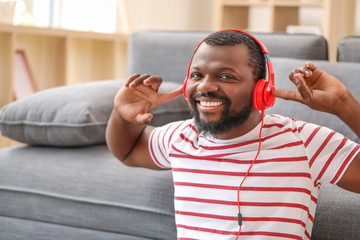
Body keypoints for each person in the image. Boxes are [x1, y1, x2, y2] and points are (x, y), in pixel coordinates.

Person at [106, 30, 360, 240]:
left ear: (262, 89)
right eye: (197, 75)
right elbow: (127, 149)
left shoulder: (301, 141)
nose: (204, 86)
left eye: (226, 76)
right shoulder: (181, 137)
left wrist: (343, 103)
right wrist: (121, 115)